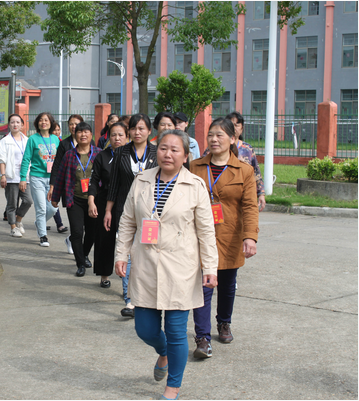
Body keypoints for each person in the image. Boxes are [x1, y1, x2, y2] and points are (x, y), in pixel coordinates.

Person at [114, 129, 218, 401]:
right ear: (156, 151)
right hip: (146, 264)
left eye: (174, 150)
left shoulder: (195, 185)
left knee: (176, 332)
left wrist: (210, 268)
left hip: (180, 267)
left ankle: (173, 387)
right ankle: (163, 352)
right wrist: (121, 254)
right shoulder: (142, 180)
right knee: (145, 329)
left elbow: (206, 231)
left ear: (185, 155)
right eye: (163, 148)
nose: (168, 154)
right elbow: (127, 221)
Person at [190, 117, 259, 359]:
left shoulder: (244, 170)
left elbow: (250, 206)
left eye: (219, 135)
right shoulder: (195, 167)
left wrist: (250, 237)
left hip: (230, 235)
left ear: (232, 139)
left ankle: (224, 322)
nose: (214, 139)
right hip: (199, 236)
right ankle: (202, 338)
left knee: (227, 285)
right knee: (203, 287)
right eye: (210, 135)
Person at [104, 114, 158, 318]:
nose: (137, 132)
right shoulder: (121, 152)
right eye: (134, 128)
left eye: (142, 128)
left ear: (149, 131)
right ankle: (130, 298)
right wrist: (108, 210)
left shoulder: (157, 152)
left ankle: (148, 294)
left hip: (151, 213)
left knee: (147, 253)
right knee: (126, 252)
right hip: (125, 211)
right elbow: (114, 184)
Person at [51, 122, 101, 277]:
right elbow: (61, 177)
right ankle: (80, 264)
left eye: (86, 132)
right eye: (79, 132)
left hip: (94, 201)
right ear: (75, 135)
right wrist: (55, 197)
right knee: (77, 232)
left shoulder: (99, 153)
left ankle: (84, 254)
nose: (83, 135)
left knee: (92, 233)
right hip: (75, 199)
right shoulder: (69, 155)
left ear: (91, 135)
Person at [87, 121, 129, 288]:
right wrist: (91, 201)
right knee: (105, 239)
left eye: (120, 135)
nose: (117, 138)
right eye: (113, 135)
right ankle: (104, 275)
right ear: (108, 137)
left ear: (127, 136)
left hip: (128, 201)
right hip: (105, 201)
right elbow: (94, 180)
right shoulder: (102, 157)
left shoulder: (132, 156)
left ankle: (130, 277)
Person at [20, 112, 59, 247]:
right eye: (41, 120)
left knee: (53, 209)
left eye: (46, 120)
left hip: (52, 179)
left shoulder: (55, 139)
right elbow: (26, 159)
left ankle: (39, 223)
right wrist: (23, 178)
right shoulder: (33, 139)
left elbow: (60, 160)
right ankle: (43, 236)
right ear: (37, 123)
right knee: (41, 208)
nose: (44, 122)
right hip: (37, 177)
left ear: (51, 123)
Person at [49, 114, 84, 251]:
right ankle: (77, 248)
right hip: (70, 188)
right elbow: (57, 166)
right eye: (71, 124)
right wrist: (53, 187)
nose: (74, 126)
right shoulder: (64, 144)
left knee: (86, 224)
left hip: (86, 189)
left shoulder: (90, 143)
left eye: (76, 124)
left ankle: (71, 239)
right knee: (76, 224)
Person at [0, 114, 33, 237]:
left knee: (28, 201)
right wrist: (3, 176)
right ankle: (13, 227)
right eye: (12, 122)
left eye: (18, 122)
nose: (15, 125)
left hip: (25, 177)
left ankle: (18, 220)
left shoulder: (27, 140)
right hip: (11, 176)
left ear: (22, 125)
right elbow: (1, 159)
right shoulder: (5, 141)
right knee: (12, 204)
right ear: (9, 125)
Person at [226, 111, 266, 212]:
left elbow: (256, 171)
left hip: (244, 192)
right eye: (231, 124)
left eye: (236, 125)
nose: (233, 128)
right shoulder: (217, 147)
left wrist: (261, 193)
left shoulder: (247, 149)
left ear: (242, 128)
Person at [49, 121, 69, 234]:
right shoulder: (48, 142)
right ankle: (58, 224)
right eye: (54, 130)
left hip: (59, 174)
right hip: (47, 174)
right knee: (50, 200)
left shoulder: (62, 143)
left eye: (58, 130)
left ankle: (58, 224)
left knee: (54, 200)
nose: (57, 132)